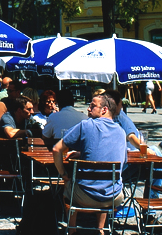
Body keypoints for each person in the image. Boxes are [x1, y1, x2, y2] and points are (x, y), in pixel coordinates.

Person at [53, 94, 127, 235]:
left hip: (85, 196)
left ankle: (72, 229)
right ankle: (101, 230)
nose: (88, 108)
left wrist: (63, 174)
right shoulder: (121, 132)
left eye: (92, 105)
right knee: (105, 180)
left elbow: (56, 149)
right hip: (114, 197)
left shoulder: (86, 125)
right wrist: (82, 154)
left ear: (104, 109)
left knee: (68, 186)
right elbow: (117, 160)